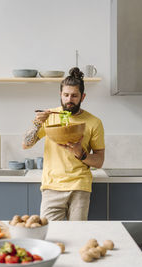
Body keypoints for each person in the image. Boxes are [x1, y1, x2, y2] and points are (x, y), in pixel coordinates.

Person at [22, 67, 105, 221]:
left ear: (83, 97)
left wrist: (81, 153)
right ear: (60, 95)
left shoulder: (94, 122)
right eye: (66, 95)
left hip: (80, 186)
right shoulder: (49, 117)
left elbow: (99, 161)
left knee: (77, 235)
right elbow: (26, 144)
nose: (69, 100)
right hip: (51, 187)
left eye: (74, 96)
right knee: (51, 236)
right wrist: (36, 123)